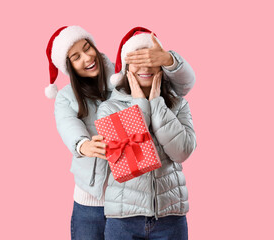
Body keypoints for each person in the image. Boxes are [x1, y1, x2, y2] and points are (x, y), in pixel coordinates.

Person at [45, 26, 195, 239]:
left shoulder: (123, 75)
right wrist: (82, 144)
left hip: (136, 200)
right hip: (93, 200)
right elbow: (67, 124)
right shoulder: (67, 97)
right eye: (76, 57)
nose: (87, 58)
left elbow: (183, 83)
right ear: (68, 66)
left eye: (88, 48)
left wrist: (168, 60)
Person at [97, 29, 196, 240]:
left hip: (171, 217)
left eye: (150, 59)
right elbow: (132, 162)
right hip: (123, 220)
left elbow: (182, 152)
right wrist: (140, 104)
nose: (145, 67)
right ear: (125, 67)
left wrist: (157, 105)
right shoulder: (108, 108)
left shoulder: (179, 105)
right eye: (136, 59)